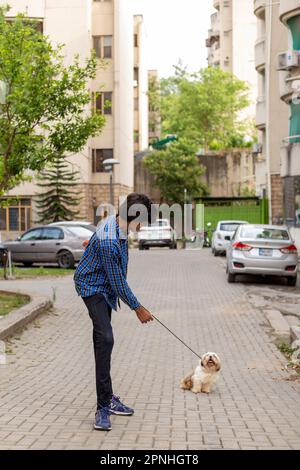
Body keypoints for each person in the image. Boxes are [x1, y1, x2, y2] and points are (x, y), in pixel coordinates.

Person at [74, 193, 154, 431]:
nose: (144, 226)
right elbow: (118, 281)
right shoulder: (110, 239)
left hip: (104, 286)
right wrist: (138, 308)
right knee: (105, 338)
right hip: (92, 287)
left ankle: (108, 398)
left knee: (103, 339)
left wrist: (92, 244)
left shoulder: (116, 226)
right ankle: (102, 407)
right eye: (144, 220)